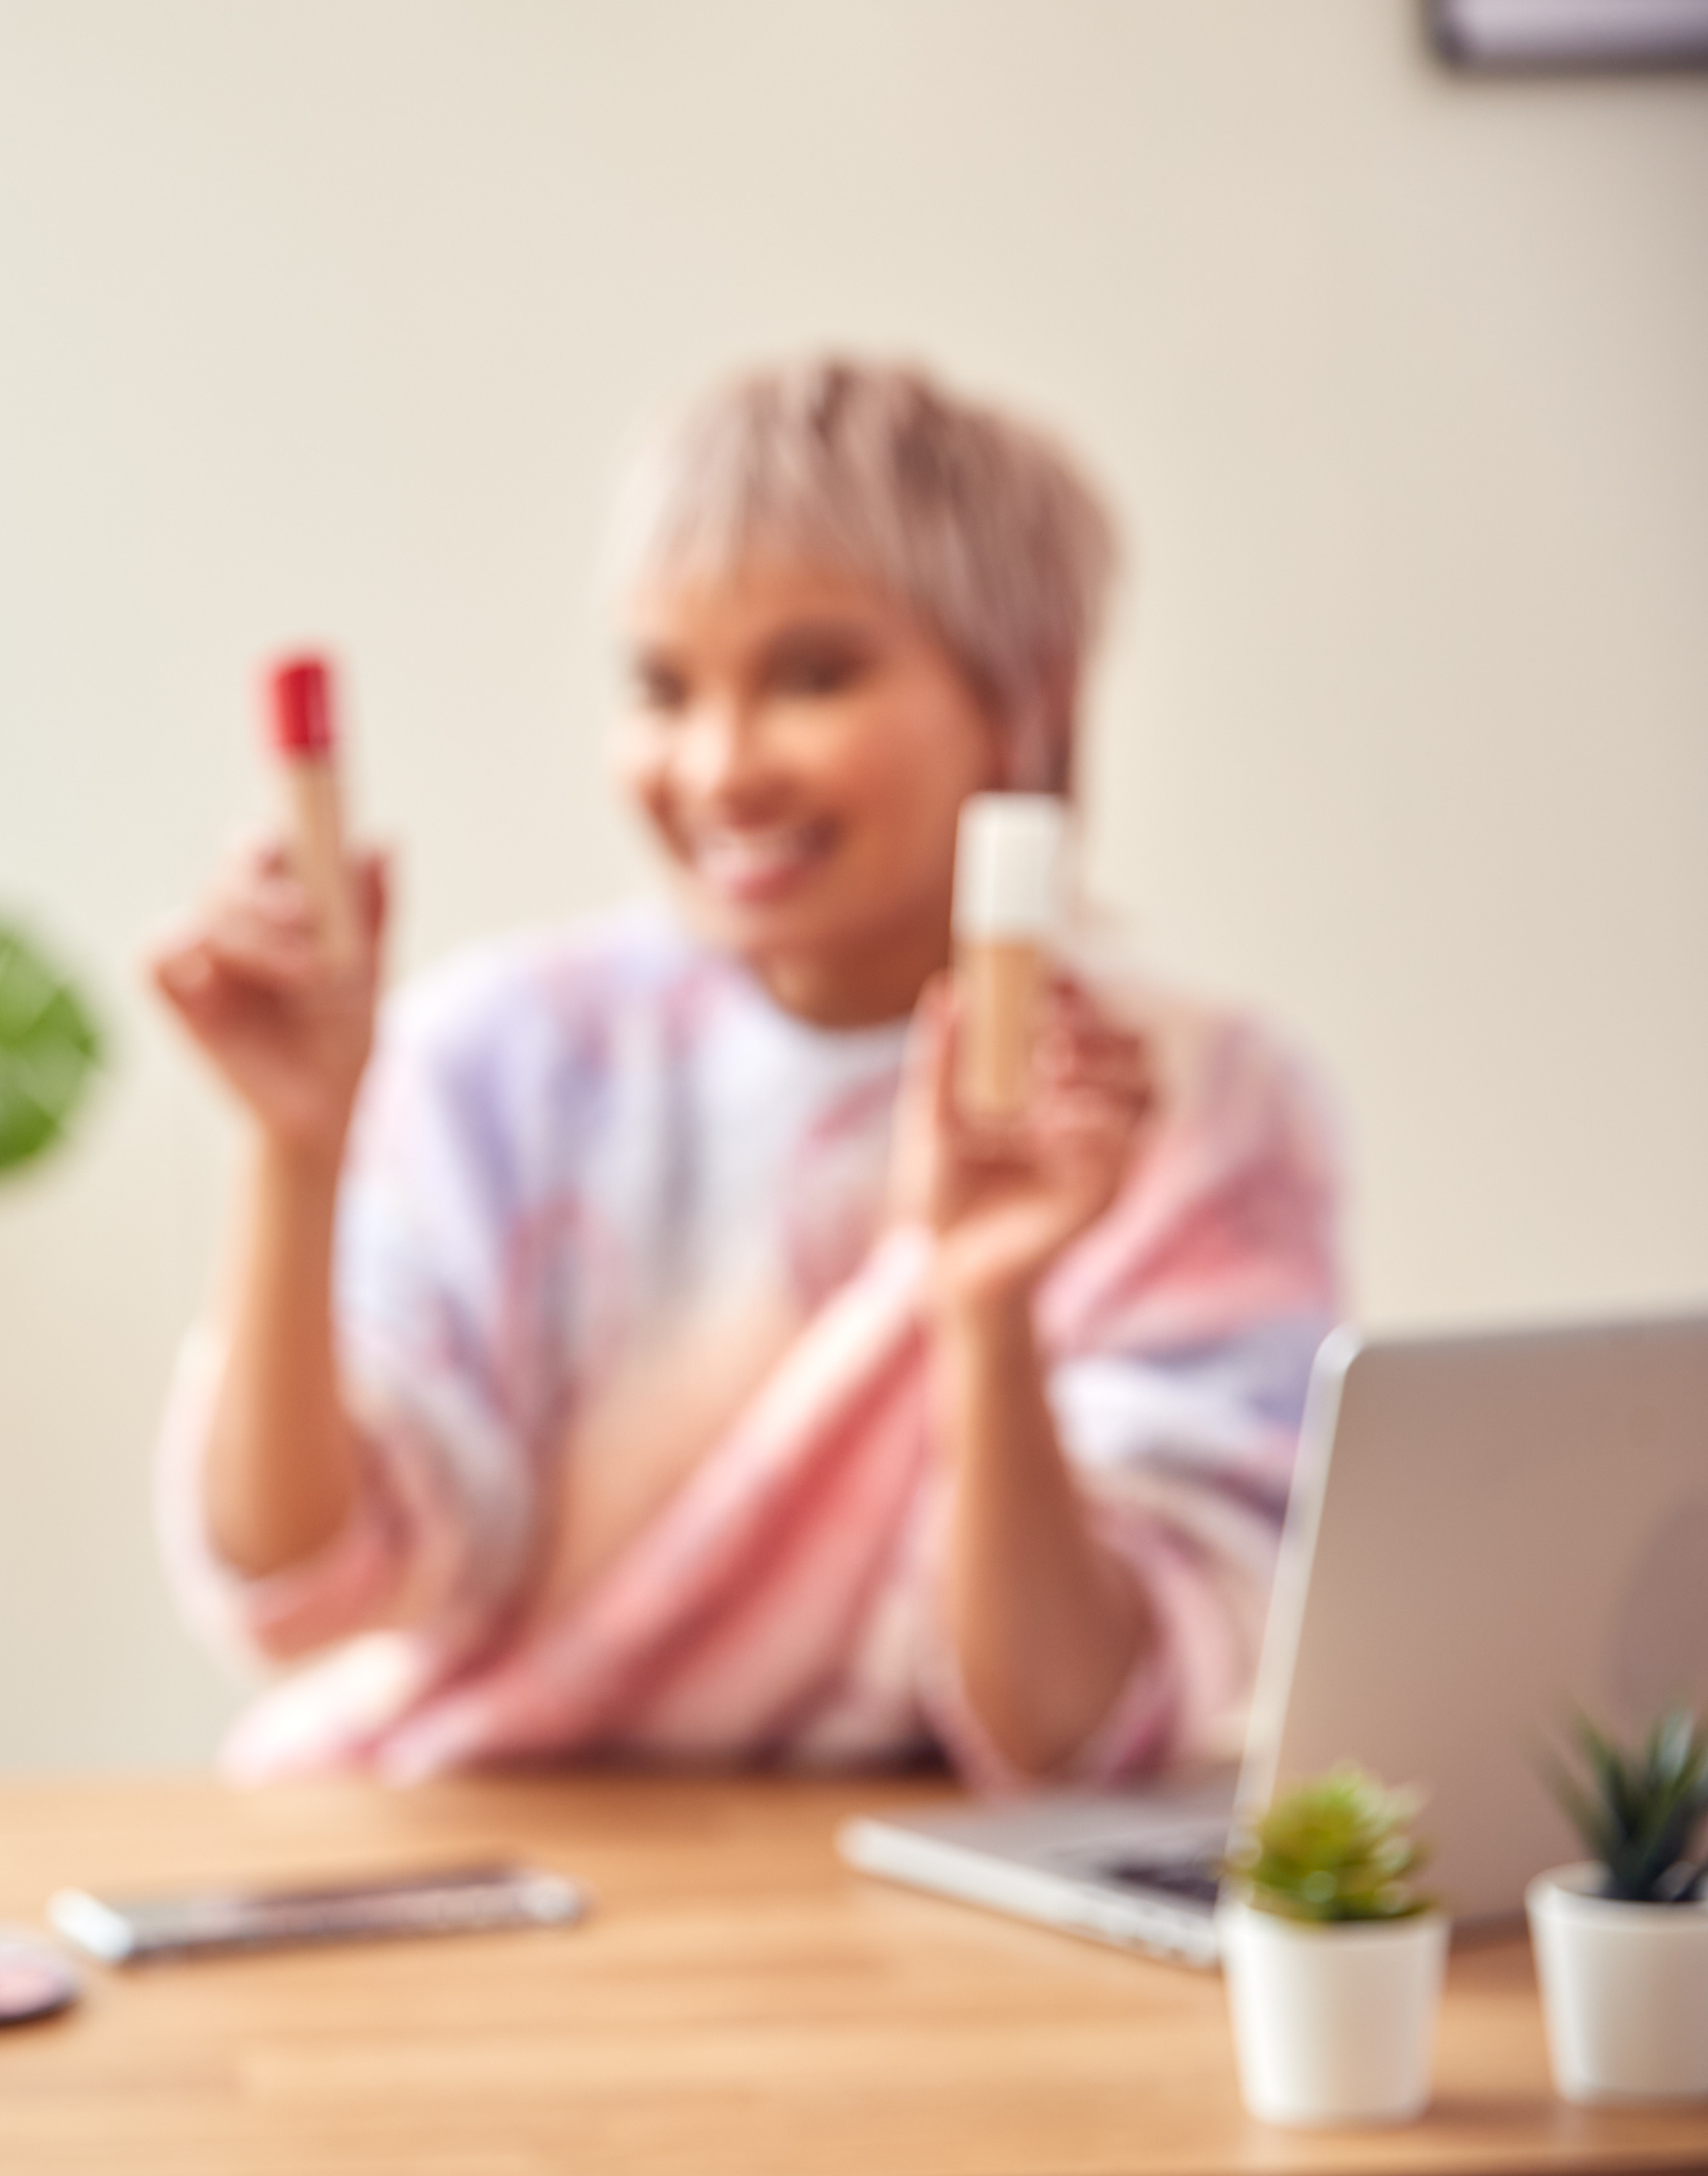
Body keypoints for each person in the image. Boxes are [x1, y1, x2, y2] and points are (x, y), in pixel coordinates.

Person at [146, 355, 1339, 1790]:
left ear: (1023, 700)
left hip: (929, 1907)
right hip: (491, 1848)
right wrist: (293, 1152)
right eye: (659, 687)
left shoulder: (1198, 1107)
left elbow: (1073, 1726)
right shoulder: (501, 1054)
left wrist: (984, 1308)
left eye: (811, 675)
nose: (716, 767)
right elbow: (304, 1585)